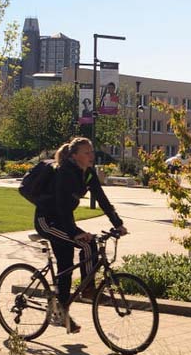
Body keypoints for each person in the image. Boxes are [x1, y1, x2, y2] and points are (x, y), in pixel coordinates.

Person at [34, 136, 127, 333]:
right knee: (86, 245)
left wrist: (118, 224)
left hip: (64, 222)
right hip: (48, 220)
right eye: (87, 152)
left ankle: (62, 313)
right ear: (75, 156)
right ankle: (88, 291)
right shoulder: (63, 173)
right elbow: (60, 207)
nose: (92, 155)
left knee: (67, 266)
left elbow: (102, 199)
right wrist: (74, 233)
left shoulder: (88, 174)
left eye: (92, 151)